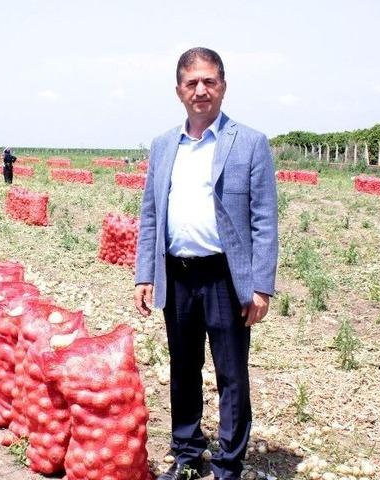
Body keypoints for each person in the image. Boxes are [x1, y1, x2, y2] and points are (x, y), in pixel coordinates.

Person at [134, 48, 278, 480]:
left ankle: (228, 465)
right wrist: (145, 273)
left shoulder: (249, 142)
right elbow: (149, 214)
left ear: (223, 86)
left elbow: (264, 219)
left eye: (210, 81)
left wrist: (261, 285)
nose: (201, 90)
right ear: (178, 90)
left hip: (224, 276)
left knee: (231, 373)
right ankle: (187, 451)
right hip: (177, 275)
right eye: (192, 82)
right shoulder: (163, 145)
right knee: (183, 366)